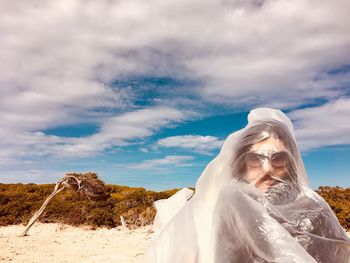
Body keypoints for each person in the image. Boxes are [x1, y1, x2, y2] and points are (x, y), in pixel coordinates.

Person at [142, 108, 350, 263]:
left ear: (290, 163)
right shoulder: (227, 199)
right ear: (242, 162)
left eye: (278, 158)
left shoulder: (314, 208)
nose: (267, 168)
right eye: (255, 158)